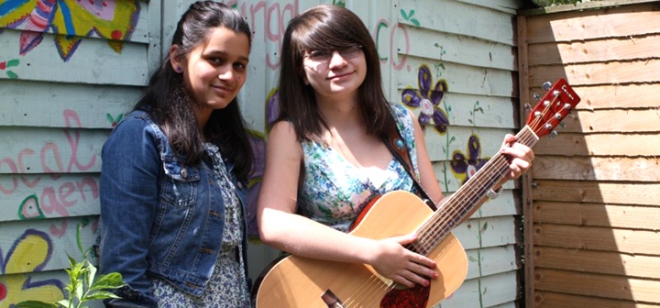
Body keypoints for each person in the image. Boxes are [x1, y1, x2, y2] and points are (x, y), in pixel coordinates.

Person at [256, 3, 535, 293]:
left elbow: (436, 214)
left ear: (366, 55)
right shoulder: (292, 133)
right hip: (328, 294)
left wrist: (496, 176)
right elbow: (273, 223)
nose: (338, 62)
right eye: (319, 53)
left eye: (349, 48)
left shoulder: (401, 122)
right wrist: (372, 253)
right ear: (300, 71)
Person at [97, 1, 253, 307]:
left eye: (239, 64)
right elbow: (121, 269)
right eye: (216, 59)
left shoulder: (226, 145)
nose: (229, 75)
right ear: (178, 59)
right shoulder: (141, 136)